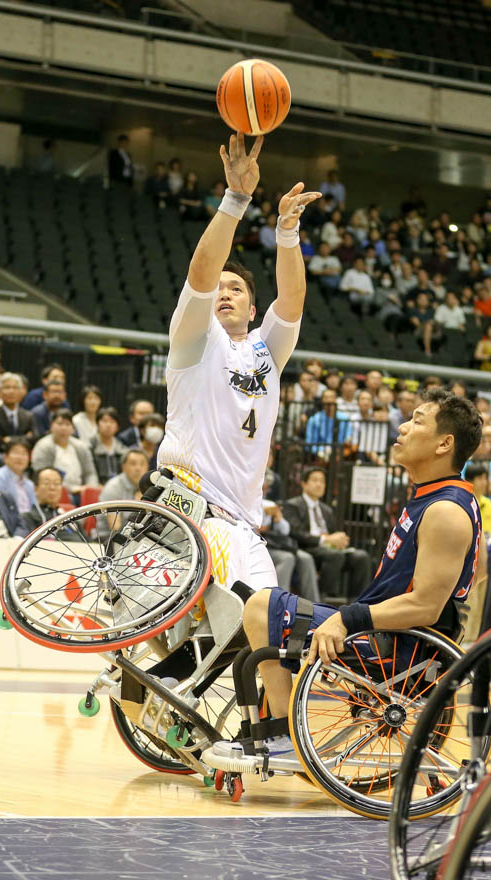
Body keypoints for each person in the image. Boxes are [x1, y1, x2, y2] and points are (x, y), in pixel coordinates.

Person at [217, 390, 483, 764]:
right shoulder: (437, 497)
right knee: (250, 599)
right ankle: (274, 726)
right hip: (385, 636)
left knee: (262, 606)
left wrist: (347, 618)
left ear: (445, 443)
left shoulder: (445, 510)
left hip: (393, 650)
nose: (403, 427)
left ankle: (284, 737)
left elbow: (426, 605)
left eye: (418, 420)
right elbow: (473, 572)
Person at [158, 132, 318, 598]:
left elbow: (292, 300)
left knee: (265, 630)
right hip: (191, 507)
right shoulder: (194, 339)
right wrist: (236, 198)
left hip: (243, 522)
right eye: (220, 288)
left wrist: (286, 233)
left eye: (238, 289)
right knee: (240, 622)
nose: (225, 292)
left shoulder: (266, 351)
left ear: (252, 310)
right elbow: (202, 273)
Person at [282, 467, 372, 602]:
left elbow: (333, 533)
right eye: (315, 480)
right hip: (307, 548)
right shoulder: (292, 505)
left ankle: (356, 602)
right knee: (335, 556)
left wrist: (340, 540)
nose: (319, 484)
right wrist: (326, 539)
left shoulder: (326, 510)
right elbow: (295, 532)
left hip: (329, 550)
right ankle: (319, 598)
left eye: (322, 481)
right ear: (304, 484)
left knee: (361, 557)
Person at [29, 410, 99, 496]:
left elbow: (90, 473)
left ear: (73, 429)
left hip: (81, 491)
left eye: (67, 424)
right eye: (60, 424)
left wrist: (89, 488)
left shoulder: (81, 447)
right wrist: (71, 489)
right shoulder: (43, 446)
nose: (63, 428)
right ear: (51, 426)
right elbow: (42, 477)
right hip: (55, 492)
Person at [96, 449, 149, 537]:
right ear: (123, 467)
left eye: (142, 464)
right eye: (133, 464)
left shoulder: (149, 488)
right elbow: (115, 527)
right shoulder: (113, 487)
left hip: (135, 537)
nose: (138, 468)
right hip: (107, 539)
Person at [0, 373, 37, 455]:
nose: (11, 391)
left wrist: (8, 439)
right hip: (1, 455)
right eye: (7, 387)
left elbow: (34, 438)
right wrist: (24, 438)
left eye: (15, 388)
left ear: (21, 392)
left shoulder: (28, 415)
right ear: (0, 391)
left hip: (23, 455)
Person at [0, 440, 37, 516]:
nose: (20, 457)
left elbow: (35, 510)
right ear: (6, 457)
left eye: (24, 454)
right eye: (16, 453)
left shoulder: (29, 484)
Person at [21, 467, 77, 535]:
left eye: (57, 483)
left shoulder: (70, 518)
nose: (52, 488)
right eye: (46, 483)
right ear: (36, 488)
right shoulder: (28, 518)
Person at [89, 406, 129, 485]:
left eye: (112, 422)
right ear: (97, 424)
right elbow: (89, 473)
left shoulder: (123, 449)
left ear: (117, 426)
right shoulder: (89, 446)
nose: (108, 425)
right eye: (104, 421)